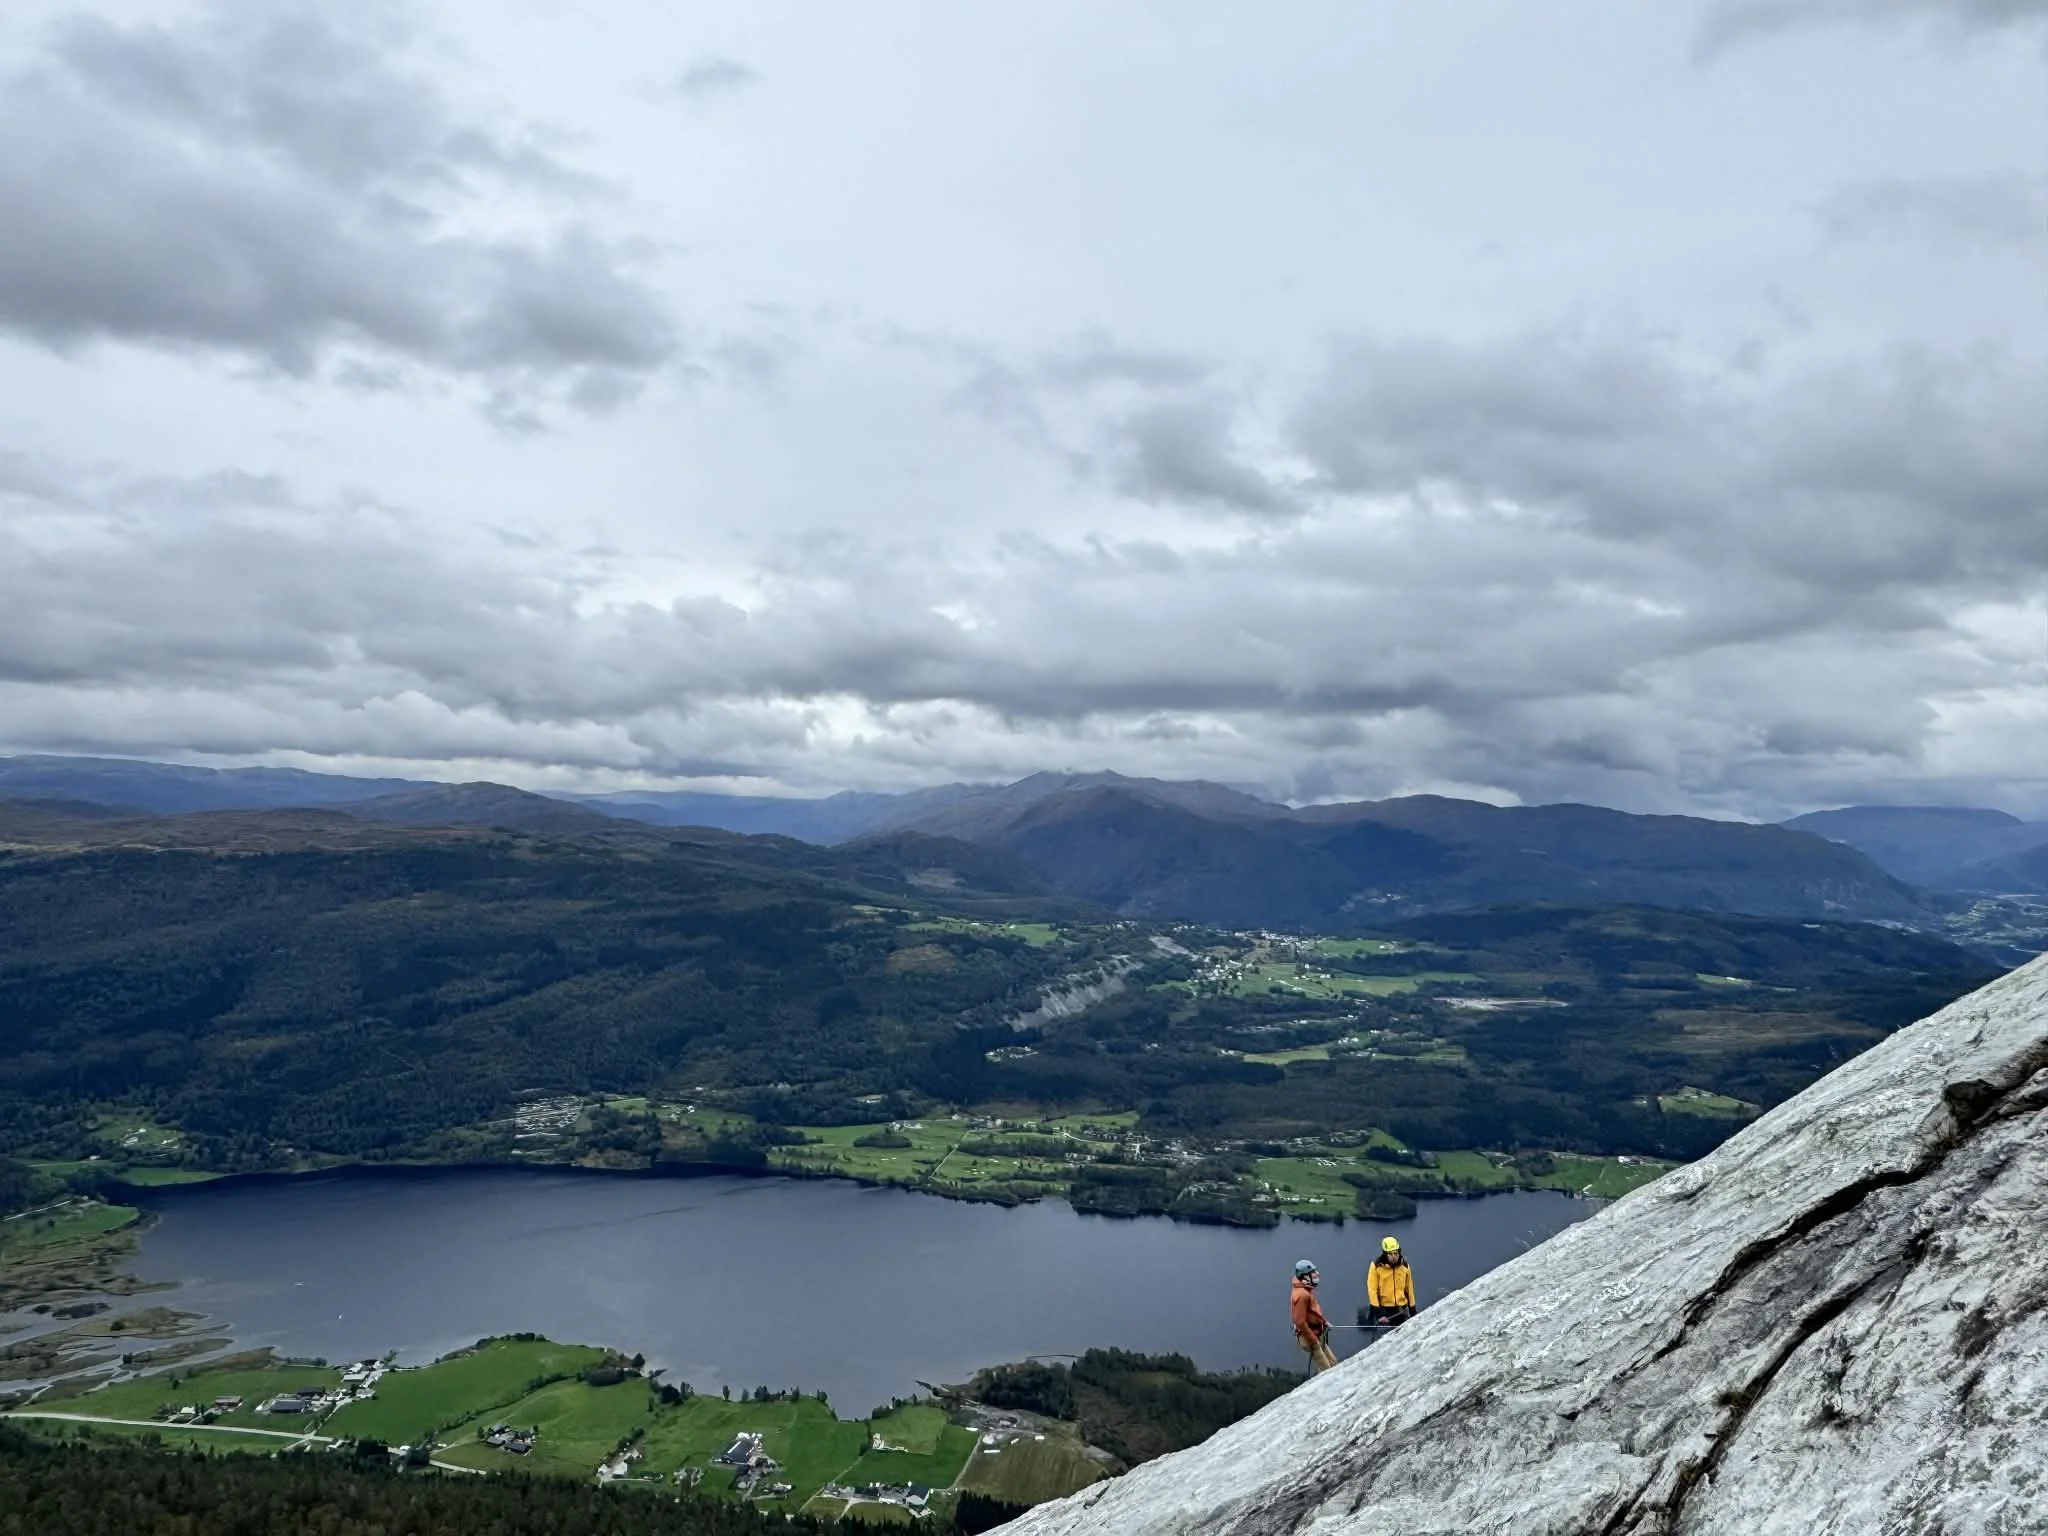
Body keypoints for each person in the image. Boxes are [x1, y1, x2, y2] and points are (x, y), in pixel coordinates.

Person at [1291, 1259, 1337, 1372]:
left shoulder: (1305, 1290)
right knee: (1327, 1371)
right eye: (1313, 1272)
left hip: (1317, 1334)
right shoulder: (1302, 1295)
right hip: (1311, 1337)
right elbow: (1300, 1322)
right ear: (1305, 1277)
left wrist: (1324, 1322)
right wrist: (1313, 1340)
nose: (1317, 1274)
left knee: (1333, 1364)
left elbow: (1313, 1312)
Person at [1367, 1235, 1417, 1327]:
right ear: (1385, 1253)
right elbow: (1372, 1291)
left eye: (1396, 1253)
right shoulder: (1376, 1266)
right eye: (1390, 1254)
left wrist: (1413, 1312)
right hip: (1384, 1310)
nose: (1394, 1257)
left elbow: (1409, 1291)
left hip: (1401, 1310)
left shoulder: (1405, 1266)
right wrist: (1379, 1314)